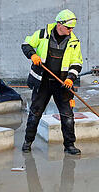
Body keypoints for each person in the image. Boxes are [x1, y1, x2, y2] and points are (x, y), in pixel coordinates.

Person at [21, 9, 83, 155]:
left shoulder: (74, 41)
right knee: (35, 112)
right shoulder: (42, 35)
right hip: (42, 81)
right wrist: (32, 54)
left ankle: (69, 145)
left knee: (67, 115)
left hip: (62, 83)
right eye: (68, 27)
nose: (70, 30)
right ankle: (27, 142)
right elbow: (26, 44)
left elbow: (77, 63)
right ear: (59, 24)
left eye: (72, 28)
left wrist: (70, 78)